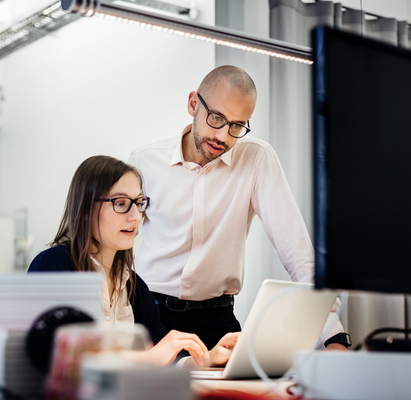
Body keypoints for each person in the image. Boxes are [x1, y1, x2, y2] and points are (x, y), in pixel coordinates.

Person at [128, 65, 350, 351]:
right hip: (149, 316)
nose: (223, 136)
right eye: (216, 118)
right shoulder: (145, 160)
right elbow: (114, 244)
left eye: (236, 126)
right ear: (193, 103)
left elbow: (298, 254)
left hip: (217, 323)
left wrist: (333, 336)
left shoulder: (257, 159)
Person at [28, 155, 240, 367]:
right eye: (121, 203)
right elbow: (56, 355)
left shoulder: (135, 286)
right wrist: (149, 357)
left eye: (139, 203)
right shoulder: (54, 265)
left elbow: (162, 359)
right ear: (85, 208)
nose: (136, 216)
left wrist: (207, 358)